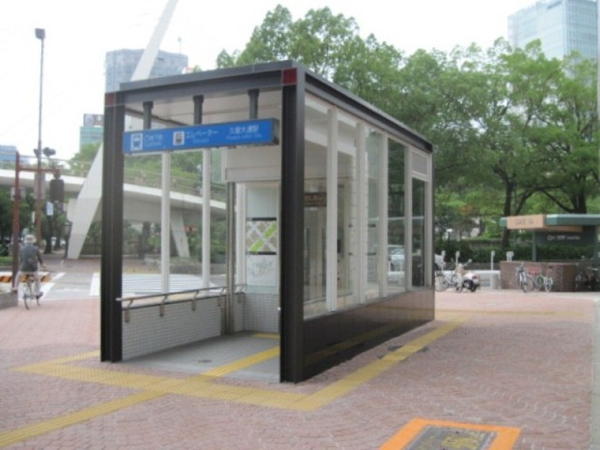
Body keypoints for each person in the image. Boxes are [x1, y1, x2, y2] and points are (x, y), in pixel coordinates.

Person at [16, 234, 46, 299]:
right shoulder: (36, 248)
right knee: (37, 279)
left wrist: (20, 265)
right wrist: (43, 265)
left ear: (25, 241)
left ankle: (15, 287)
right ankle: (37, 293)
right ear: (33, 241)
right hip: (33, 269)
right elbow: (40, 258)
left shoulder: (22, 248)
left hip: (23, 269)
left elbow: (21, 259)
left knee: (18, 276)